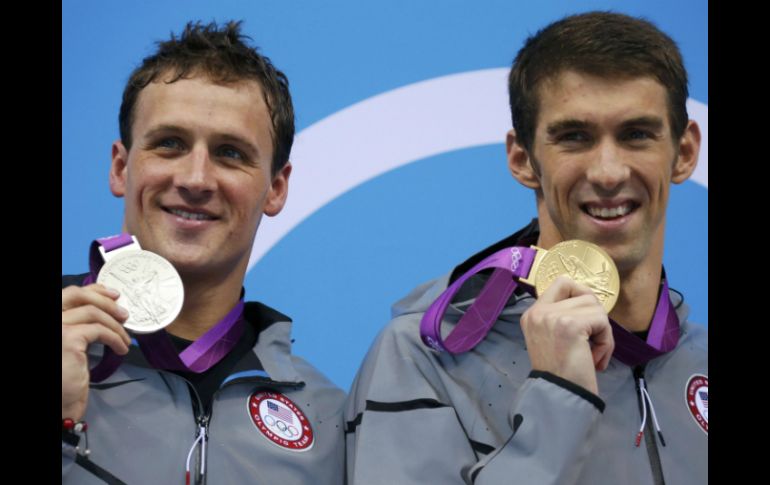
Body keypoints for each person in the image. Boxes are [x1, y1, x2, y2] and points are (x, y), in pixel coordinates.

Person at [345, 11, 706, 485]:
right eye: (574, 137)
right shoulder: (426, 358)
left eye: (636, 134)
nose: (609, 172)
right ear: (522, 159)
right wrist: (556, 399)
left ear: (683, 153)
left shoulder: (697, 357)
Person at [62, 21, 345, 484]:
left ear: (276, 188)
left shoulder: (328, 419)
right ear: (120, 167)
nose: (195, 179)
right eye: (169, 144)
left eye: (230, 153)